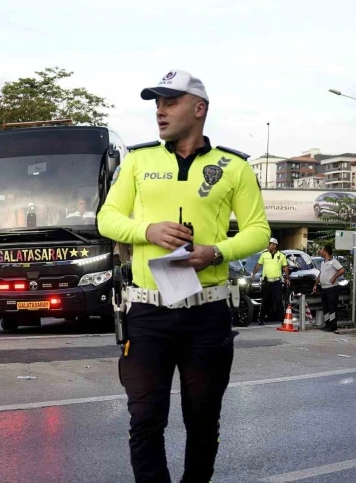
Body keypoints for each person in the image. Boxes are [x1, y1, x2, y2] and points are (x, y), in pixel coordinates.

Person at [97, 70, 270, 483]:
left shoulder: (234, 166)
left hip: (207, 314)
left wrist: (217, 252)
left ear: (199, 108)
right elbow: (107, 219)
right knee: (145, 420)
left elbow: (259, 230)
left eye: (170, 102)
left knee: (203, 422)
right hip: (146, 311)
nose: (160, 111)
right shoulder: (137, 160)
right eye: (157, 103)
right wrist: (147, 230)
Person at [252, 237, 290, 325]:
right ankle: (261, 319)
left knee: (278, 301)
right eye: (269, 244)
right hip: (267, 282)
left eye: (271, 244)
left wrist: (287, 278)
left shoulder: (281, 255)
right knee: (265, 301)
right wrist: (253, 273)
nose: (269, 246)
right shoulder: (264, 255)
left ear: (275, 245)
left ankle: (283, 320)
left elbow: (285, 267)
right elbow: (258, 264)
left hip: (277, 282)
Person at [312, 244, 346, 332]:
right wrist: (316, 284)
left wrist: (334, 277)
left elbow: (342, 270)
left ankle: (333, 325)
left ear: (326, 251)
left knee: (332, 308)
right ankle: (327, 324)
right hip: (324, 288)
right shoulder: (323, 262)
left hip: (332, 288)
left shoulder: (333, 261)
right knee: (325, 307)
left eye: (322, 250)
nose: (320, 251)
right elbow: (321, 274)